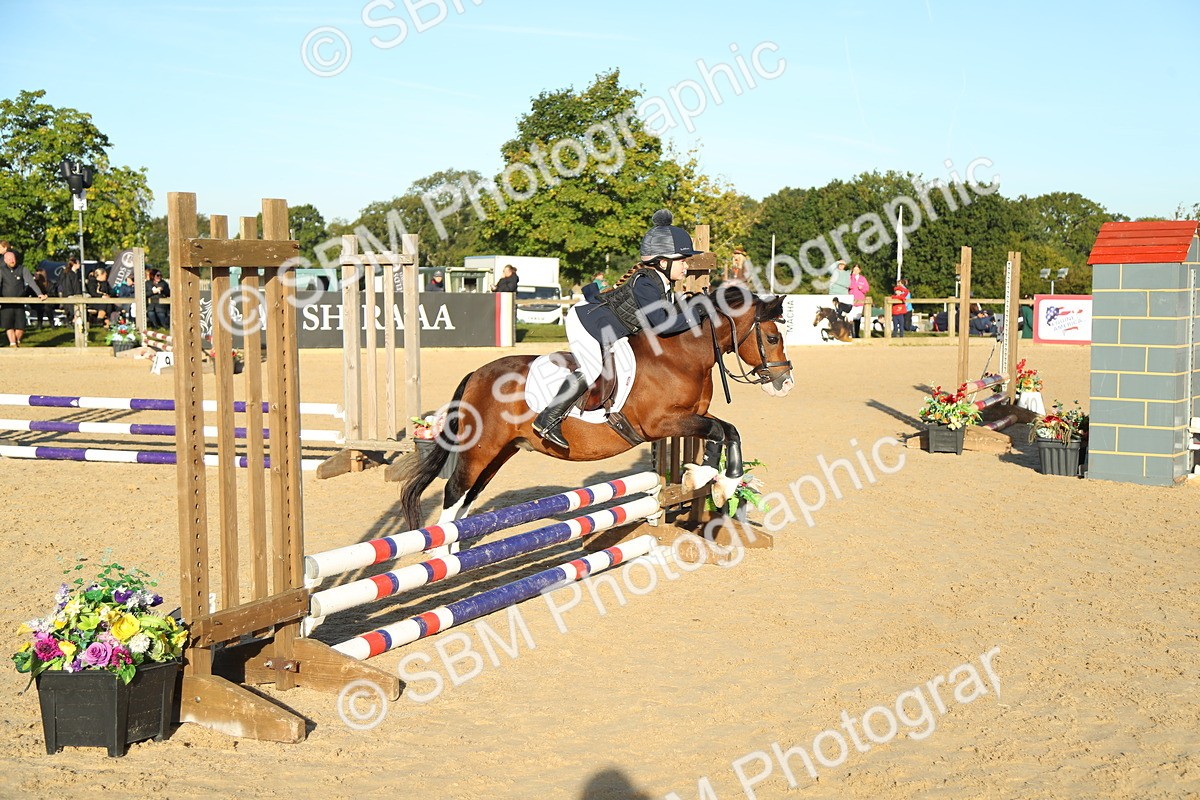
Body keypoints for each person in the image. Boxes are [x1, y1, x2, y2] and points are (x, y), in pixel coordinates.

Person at [533, 209, 707, 448]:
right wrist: (695, 315)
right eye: (683, 260)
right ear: (663, 261)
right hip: (587, 325)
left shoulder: (661, 283)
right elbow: (661, 325)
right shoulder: (646, 283)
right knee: (592, 367)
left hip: (609, 329)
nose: (686, 266)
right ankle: (548, 419)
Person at [1, 250, 47, 346]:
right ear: (5, 260)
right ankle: (13, 344)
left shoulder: (22, 269)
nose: (12, 260)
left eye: (13, 258)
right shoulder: (1, 270)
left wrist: (39, 293)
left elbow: (31, 282)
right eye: (9, 259)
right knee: (8, 326)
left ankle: (16, 342)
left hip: (20, 302)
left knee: (21, 327)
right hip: (6, 303)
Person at [56, 256, 83, 325]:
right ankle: (71, 321)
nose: (79, 265)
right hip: (70, 296)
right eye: (78, 263)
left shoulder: (78, 273)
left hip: (78, 295)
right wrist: (70, 295)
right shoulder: (68, 274)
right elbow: (67, 286)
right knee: (72, 310)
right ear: (74, 264)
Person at [848, 264, 870, 338]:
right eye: (854, 270)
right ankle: (851, 334)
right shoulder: (849, 278)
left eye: (857, 270)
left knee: (857, 318)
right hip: (851, 301)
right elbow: (850, 286)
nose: (855, 271)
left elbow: (867, 289)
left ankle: (856, 334)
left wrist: (861, 288)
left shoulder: (863, 279)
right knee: (850, 318)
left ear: (860, 270)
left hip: (860, 301)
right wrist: (853, 277)